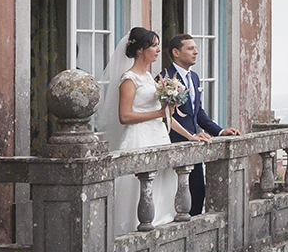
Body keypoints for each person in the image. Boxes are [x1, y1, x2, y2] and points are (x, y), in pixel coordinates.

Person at [98, 27, 191, 232]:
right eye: (154, 45)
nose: (158, 50)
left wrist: (191, 137)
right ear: (140, 50)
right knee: (137, 189)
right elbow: (125, 116)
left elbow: (164, 116)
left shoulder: (150, 77)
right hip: (138, 139)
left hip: (158, 137)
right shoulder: (129, 79)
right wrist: (158, 115)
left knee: (161, 187)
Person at [162, 33, 239, 215]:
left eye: (195, 48)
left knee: (198, 193)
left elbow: (198, 113)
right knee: (177, 199)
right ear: (176, 52)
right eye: (190, 48)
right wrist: (189, 137)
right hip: (174, 144)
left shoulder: (194, 77)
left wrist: (219, 132)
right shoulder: (165, 78)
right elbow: (164, 116)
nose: (196, 52)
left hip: (195, 143)